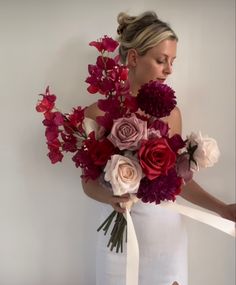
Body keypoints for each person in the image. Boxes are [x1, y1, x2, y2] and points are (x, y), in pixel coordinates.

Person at [81, 11, 236, 285]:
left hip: (163, 235)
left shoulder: (171, 114)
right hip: (118, 236)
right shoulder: (96, 113)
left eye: (172, 61)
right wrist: (111, 199)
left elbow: (179, 181)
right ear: (133, 58)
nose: (169, 69)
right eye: (161, 60)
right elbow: (88, 183)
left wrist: (221, 209)